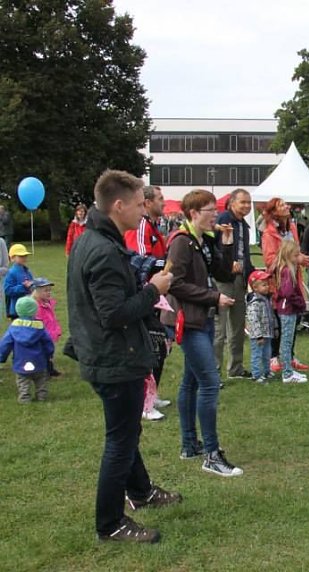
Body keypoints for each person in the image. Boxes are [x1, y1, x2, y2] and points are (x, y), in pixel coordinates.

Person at [66, 169, 179, 543]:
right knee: (121, 440)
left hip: (109, 355)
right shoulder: (100, 248)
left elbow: (123, 273)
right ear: (118, 205)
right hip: (113, 358)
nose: (142, 211)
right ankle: (110, 523)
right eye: (137, 204)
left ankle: (142, 491)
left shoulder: (97, 239)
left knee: (127, 433)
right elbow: (112, 314)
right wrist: (153, 289)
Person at [166, 188, 243, 477]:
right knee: (209, 381)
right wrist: (213, 298)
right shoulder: (181, 243)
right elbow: (174, 284)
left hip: (203, 318)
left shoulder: (204, 241)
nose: (216, 215)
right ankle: (211, 453)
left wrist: (226, 244)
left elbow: (223, 274)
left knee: (191, 380)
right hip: (189, 320)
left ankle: (189, 444)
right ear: (194, 213)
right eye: (211, 210)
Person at [124, 185, 171, 414]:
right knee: (150, 345)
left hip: (155, 294)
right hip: (147, 295)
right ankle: (145, 402)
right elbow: (143, 260)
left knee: (158, 345)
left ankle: (152, 394)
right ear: (148, 202)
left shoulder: (154, 226)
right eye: (160, 198)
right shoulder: (143, 225)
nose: (164, 202)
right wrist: (164, 269)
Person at [260, 197, 309, 372]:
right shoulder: (269, 233)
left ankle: (289, 355)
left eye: (285, 203)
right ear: (274, 211)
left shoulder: (292, 228)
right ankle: (274, 357)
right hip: (279, 282)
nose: (286, 206)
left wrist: (300, 259)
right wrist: (295, 259)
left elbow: (294, 251)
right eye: (281, 205)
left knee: (294, 317)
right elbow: (269, 261)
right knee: (280, 320)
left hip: (294, 278)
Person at [214, 189, 253, 380]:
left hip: (240, 278)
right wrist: (229, 264)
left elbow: (245, 253)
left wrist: (252, 273)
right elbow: (216, 249)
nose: (246, 206)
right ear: (232, 203)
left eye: (249, 202)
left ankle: (235, 368)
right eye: (243, 202)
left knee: (237, 326)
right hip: (223, 279)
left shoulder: (243, 225)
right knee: (219, 328)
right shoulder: (223, 220)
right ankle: (214, 373)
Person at [0, 296, 54, 403]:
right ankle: (41, 396)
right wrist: (49, 354)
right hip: (39, 361)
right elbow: (48, 342)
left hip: (21, 361)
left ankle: (24, 397)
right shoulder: (39, 327)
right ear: (35, 310)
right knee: (40, 380)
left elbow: (5, 344)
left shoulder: (14, 327)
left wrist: (2, 357)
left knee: (23, 381)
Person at [272, 240, 308, 383]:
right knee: (286, 342)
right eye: (296, 255)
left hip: (288, 309)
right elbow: (288, 292)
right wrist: (300, 303)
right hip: (288, 310)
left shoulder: (287, 269)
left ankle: (289, 370)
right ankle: (287, 373)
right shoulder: (287, 271)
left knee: (287, 341)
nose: (298, 258)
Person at [245, 269, 276, 384]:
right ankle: (256, 374)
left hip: (267, 332)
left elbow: (270, 316)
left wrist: (275, 329)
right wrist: (258, 336)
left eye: (267, 284)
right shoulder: (255, 302)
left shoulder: (266, 299)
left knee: (267, 353)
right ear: (255, 287)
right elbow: (254, 320)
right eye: (264, 285)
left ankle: (267, 371)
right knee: (257, 354)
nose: (267, 287)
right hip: (258, 335)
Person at [31, 277, 61, 376]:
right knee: (43, 353)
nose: (49, 293)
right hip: (42, 335)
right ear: (37, 292)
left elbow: (52, 319)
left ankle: (49, 369)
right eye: (45, 291)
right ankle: (44, 371)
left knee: (49, 352)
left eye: (49, 290)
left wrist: (57, 330)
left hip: (50, 333)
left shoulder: (48, 304)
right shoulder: (36, 307)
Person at [4, 244, 33, 319]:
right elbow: (8, 290)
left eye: (25, 256)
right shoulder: (11, 273)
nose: (24, 258)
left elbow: (32, 284)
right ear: (12, 258)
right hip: (17, 309)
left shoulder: (27, 271)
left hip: (28, 307)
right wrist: (23, 287)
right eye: (21, 256)